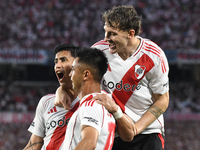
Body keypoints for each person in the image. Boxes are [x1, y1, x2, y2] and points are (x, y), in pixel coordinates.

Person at [55, 5, 169, 150]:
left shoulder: (154, 56)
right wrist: (62, 89)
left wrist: (136, 128)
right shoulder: (99, 51)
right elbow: (80, 76)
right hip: (113, 133)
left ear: (130, 34)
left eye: (112, 34)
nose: (106, 38)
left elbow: (163, 100)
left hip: (147, 134)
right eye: (105, 32)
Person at [23, 44, 80, 150]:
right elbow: (34, 144)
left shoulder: (93, 100)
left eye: (63, 60)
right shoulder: (46, 102)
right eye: (55, 61)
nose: (58, 65)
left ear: (78, 63)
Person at [61, 47, 116, 150]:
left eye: (73, 69)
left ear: (85, 74)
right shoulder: (107, 103)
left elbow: (89, 143)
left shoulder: (91, 105)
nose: (70, 74)